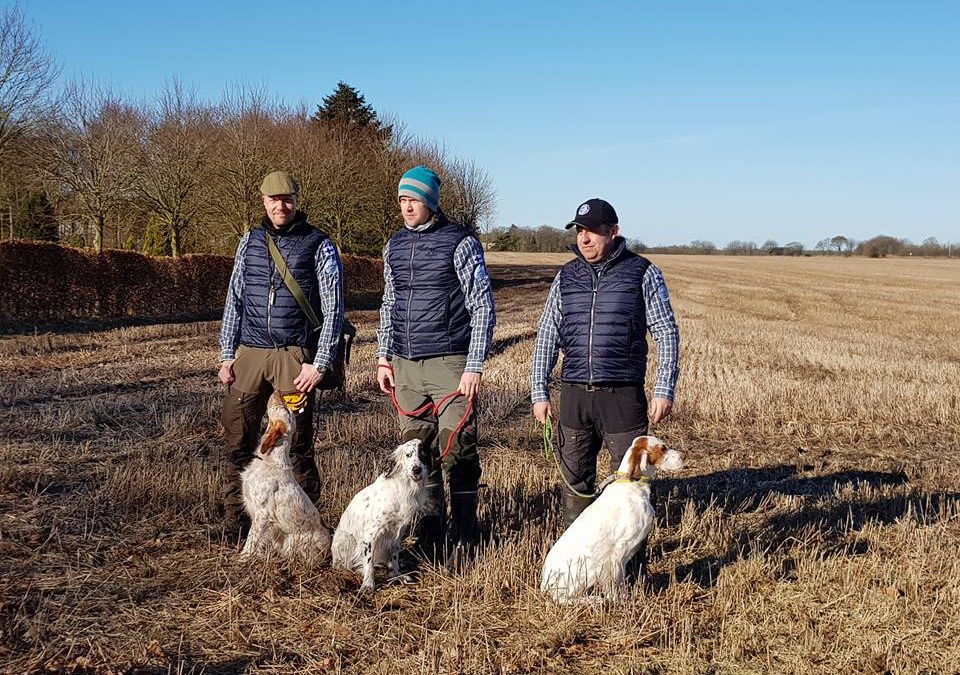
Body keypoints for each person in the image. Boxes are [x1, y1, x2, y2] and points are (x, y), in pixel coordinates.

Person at [530, 198, 680, 530]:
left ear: (613, 231)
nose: (584, 238)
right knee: (575, 483)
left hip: (622, 397)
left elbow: (666, 332)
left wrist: (664, 389)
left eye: (593, 231)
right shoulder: (566, 276)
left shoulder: (642, 272)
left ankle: (629, 558)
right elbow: (547, 334)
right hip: (575, 395)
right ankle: (578, 553)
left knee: (629, 486)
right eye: (579, 231)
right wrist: (539, 392)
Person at [375, 165, 496, 568]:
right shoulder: (394, 245)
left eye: (414, 199)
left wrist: (474, 364)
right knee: (418, 454)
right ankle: (430, 534)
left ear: (430, 201)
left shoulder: (460, 242)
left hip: (451, 362)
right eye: (402, 200)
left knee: (458, 449)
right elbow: (389, 303)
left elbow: (482, 305)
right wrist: (384, 356)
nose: (407, 207)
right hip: (406, 366)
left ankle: (464, 536)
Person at [217, 170, 345, 541]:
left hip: (294, 355)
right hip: (251, 352)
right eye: (274, 200)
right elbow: (235, 299)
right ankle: (236, 520)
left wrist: (319, 363)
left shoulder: (319, 244)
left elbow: (334, 309)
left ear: (296, 200)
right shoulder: (249, 241)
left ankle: (305, 528)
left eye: (287, 199)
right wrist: (227, 354)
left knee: (297, 446)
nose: (281, 206)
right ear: (263, 201)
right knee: (238, 439)